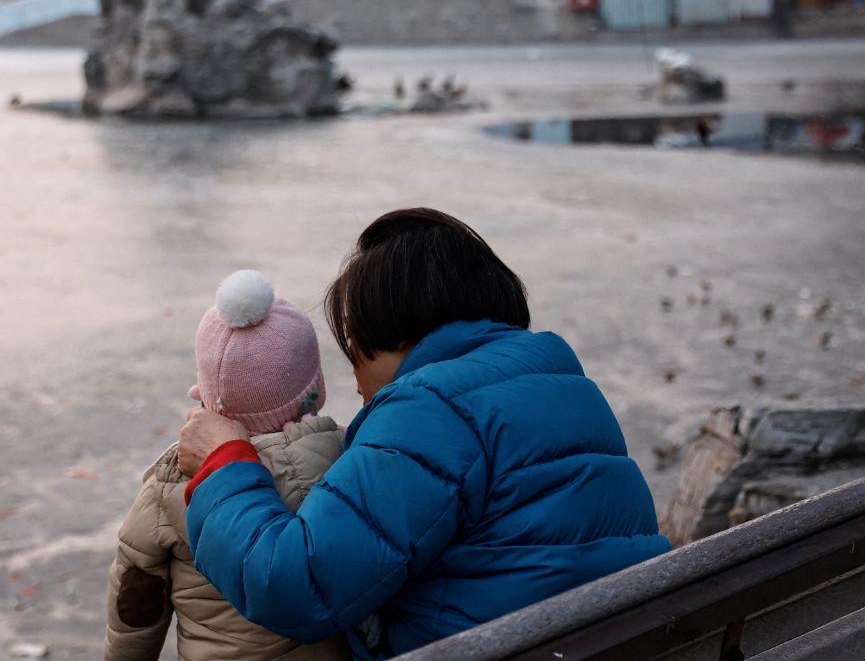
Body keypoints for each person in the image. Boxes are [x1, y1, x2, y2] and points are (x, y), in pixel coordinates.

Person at [177, 208, 672, 659]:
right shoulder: (564, 384)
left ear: (392, 334)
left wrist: (225, 461)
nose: (356, 381)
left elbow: (295, 587)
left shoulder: (428, 409)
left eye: (355, 350)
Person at [103, 270, 351, 661]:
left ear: (204, 394)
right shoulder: (350, 456)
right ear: (316, 388)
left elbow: (136, 604)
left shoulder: (171, 485)